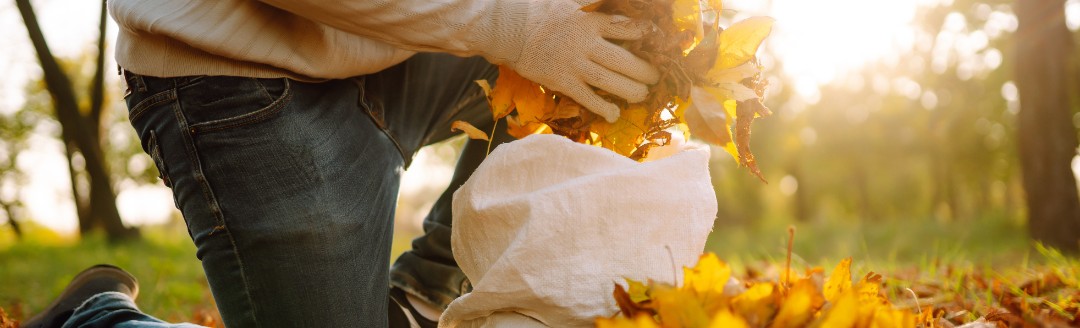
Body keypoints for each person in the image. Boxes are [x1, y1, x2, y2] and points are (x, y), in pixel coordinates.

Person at [27, 0, 659, 327]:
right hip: (241, 83)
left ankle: (421, 299)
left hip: (397, 51)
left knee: (590, 61)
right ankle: (99, 321)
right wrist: (511, 24)